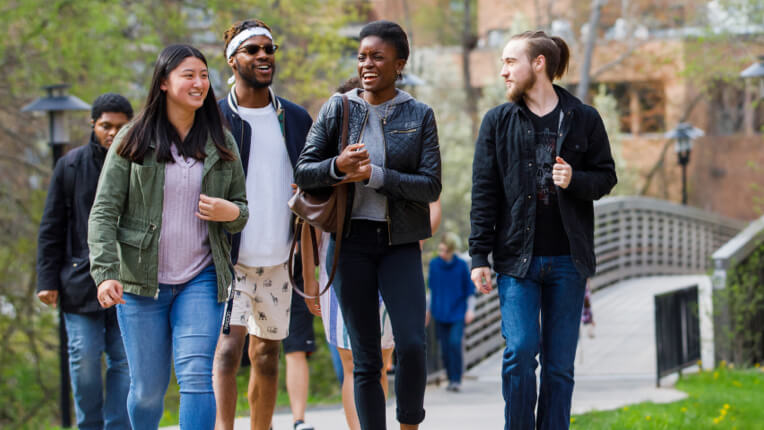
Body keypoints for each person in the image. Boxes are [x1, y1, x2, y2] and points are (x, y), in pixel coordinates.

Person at [88, 44, 249, 430]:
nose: (199, 83)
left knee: (196, 378)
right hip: (140, 282)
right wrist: (105, 271)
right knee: (146, 390)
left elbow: (242, 209)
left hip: (201, 276)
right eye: (188, 75)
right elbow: (104, 210)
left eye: (203, 75)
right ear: (163, 82)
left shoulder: (222, 143)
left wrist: (231, 213)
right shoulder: (132, 139)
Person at [295, 20, 441, 430]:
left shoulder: (419, 114)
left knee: (412, 343)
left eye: (377, 56)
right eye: (362, 57)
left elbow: (430, 185)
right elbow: (304, 171)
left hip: (400, 244)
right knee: (365, 357)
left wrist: (374, 175)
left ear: (400, 63)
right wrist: (337, 168)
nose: (367, 64)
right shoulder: (337, 108)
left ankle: (409, 424)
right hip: (350, 243)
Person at [469, 30, 617, 430]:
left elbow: (606, 177)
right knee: (519, 352)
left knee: (558, 367)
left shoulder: (583, 118)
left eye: (510, 61)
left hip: (569, 260)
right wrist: (478, 256)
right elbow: (484, 191)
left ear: (538, 64)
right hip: (517, 261)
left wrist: (575, 180)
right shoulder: (497, 121)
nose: (503, 71)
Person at [211, 18, 313, 430]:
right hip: (228, 258)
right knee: (227, 351)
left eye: (268, 49)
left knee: (267, 356)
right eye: (252, 51)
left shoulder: (296, 118)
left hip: (278, 258)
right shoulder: (213, 120)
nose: (263, 57)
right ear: (232, 60)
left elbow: (314, 184)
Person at [37, 93, 133, 430]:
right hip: (79, 283)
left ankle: (118, 426)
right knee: (85, 360)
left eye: (122, 127)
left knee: (124, 362)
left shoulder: (142, 163)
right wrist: (46, 281)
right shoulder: (70, 165)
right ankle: (89, 426)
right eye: (106, 126)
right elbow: (52, 227)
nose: (113, 133)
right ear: (92, 124)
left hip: (131, 282)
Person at [301, 227, 395, 430]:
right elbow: (311, 216)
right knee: (353, 364)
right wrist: (308, 276)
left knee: (379, 363)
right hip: (338, 263)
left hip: (388, 260)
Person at [426, 232, 475, 393]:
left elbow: (469, 290)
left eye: (445, 250)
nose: (442, 253)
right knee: (444, 348)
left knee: (455, 343)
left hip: (458, 312)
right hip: (439, 313)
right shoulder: (434, 265)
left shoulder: (461, 265)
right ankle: (449, 377)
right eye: (440, 250)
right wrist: (427, 310)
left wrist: (470, 310)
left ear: (452, 250)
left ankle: (456, 379)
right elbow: (431, 290)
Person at [283, 292, 316, 430]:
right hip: (256, 276)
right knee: (262, 353)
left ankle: (299, 420)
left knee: (297, 349)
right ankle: (264, 422)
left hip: (296, 282)